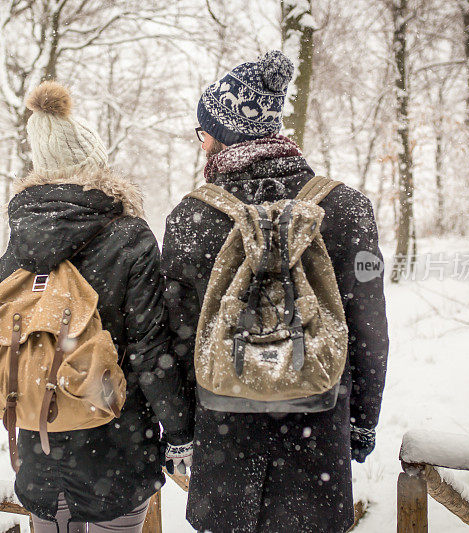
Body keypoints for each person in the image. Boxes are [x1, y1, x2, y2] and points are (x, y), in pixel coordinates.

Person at [161, 50, 389, 532]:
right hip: (319, 434)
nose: (200, 143)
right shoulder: (346, 209)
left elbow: (178, 339)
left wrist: (182, 430)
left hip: (224, 441)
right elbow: (368, 327)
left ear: (222, 133)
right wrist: (361, 422)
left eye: (202, 132)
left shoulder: (191, 218)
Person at [0, 81, 192, 533]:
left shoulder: (19, 241)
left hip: (39, 438)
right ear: (95, 163)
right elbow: (149, 350)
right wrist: (181, 432)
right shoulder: (130, 236)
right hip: (116, 444)